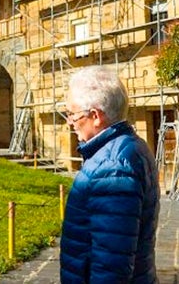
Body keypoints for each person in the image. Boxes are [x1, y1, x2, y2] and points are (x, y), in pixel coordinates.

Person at [60, 66, 160, 283]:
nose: (69, 122)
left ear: (95, 116)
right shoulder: (130, 146)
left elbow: (111, 262)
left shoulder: (112, 167)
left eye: (73, 114)